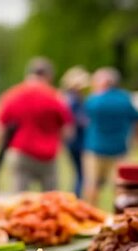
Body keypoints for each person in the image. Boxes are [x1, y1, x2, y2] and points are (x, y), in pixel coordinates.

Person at [0, 57, 73, 191]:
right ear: (48, 76)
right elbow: (68, 130)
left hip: (20, 152)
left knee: (19, 200)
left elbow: (1, 125)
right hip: (47, 155)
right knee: (51, 201)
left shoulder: (13, 94)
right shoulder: (55, 96)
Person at [82, 67, 138, 205]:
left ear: (104, 82)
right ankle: (119, 216)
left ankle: (91, 215)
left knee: (92, 185)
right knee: (120, 188)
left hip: (95, 149)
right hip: (119, 150)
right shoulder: (125, 99)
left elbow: (84, 117)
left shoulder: (94, 100)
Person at [60, 66, 90, 198]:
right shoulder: (73, 100)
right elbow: (76, 120)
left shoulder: (68, 98)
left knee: (79, 173)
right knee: (81, 173)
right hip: (77, 141)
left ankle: (75, 197)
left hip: (74, 141)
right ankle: (76, 198)